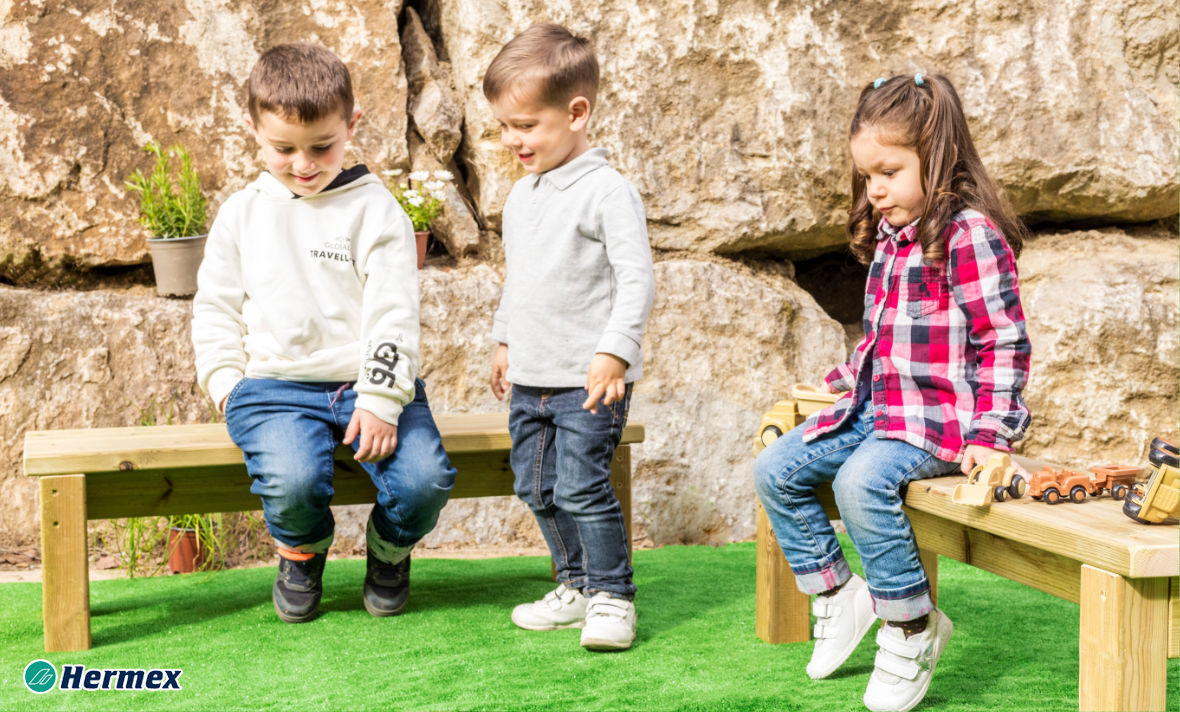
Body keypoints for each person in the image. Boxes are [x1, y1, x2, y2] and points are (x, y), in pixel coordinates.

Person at [754, 73, 1031, 712]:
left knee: (859, 484)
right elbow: (882, 338)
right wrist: (836, 385)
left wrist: (993, 438)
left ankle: (911, 626)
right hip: (878, 409)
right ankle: (838, 594)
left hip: (938, 424)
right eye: (866, 177)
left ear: (936, 158)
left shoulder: (970, 237)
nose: (874, 191)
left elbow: (1005, 344)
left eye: (888, 172)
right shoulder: (893, 235)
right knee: (774, 468)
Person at [191, 42, 456, 624]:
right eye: (283, 148)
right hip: (273, 388)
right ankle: (301, 553)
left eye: (322, 146)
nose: (304, 163)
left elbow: (393, 312)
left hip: (368, 383)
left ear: (352, 124)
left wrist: (383, 401)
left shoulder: (376, 210)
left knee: (423, 481)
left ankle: (389, 552)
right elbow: (214, 307)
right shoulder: (242, 212)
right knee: (291, 480)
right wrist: (226, 386)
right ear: (253, 129)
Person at [482, 24, 655, 651]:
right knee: (536, 485)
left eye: (525, 125)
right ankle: (577, 584)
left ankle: (613, 596)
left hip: (587, 380)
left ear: (577, 112)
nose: (511, 140)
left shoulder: (607, 192)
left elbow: (636, 281)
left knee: (582, 483)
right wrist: (505, 341)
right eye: (504, 126)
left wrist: (615, 352)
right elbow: (520, 281)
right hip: (531, 378)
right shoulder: (520, 198)